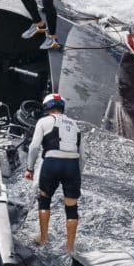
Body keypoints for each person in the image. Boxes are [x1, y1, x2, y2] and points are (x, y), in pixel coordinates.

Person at [23, 94, 84, 253]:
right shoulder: (76, 125)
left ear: (46, 108)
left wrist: (29, 169)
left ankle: (43, 238)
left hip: (52, 163)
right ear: (62, 107)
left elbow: (34, 147)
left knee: (44, 200)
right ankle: (70, 248)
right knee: (72, 209)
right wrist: (77, 175)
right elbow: (82, 155)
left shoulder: (43, 121)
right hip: (72, 165)